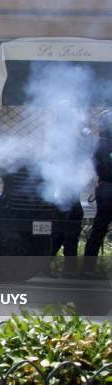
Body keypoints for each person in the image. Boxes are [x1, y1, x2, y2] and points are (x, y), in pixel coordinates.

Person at [83, 109, 112, 278]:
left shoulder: (100, 142)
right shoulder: (103, 143)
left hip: (105, 187)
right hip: (108, 188)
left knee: (99, 229)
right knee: (99, 229)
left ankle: (88, 268)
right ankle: (88, 268)